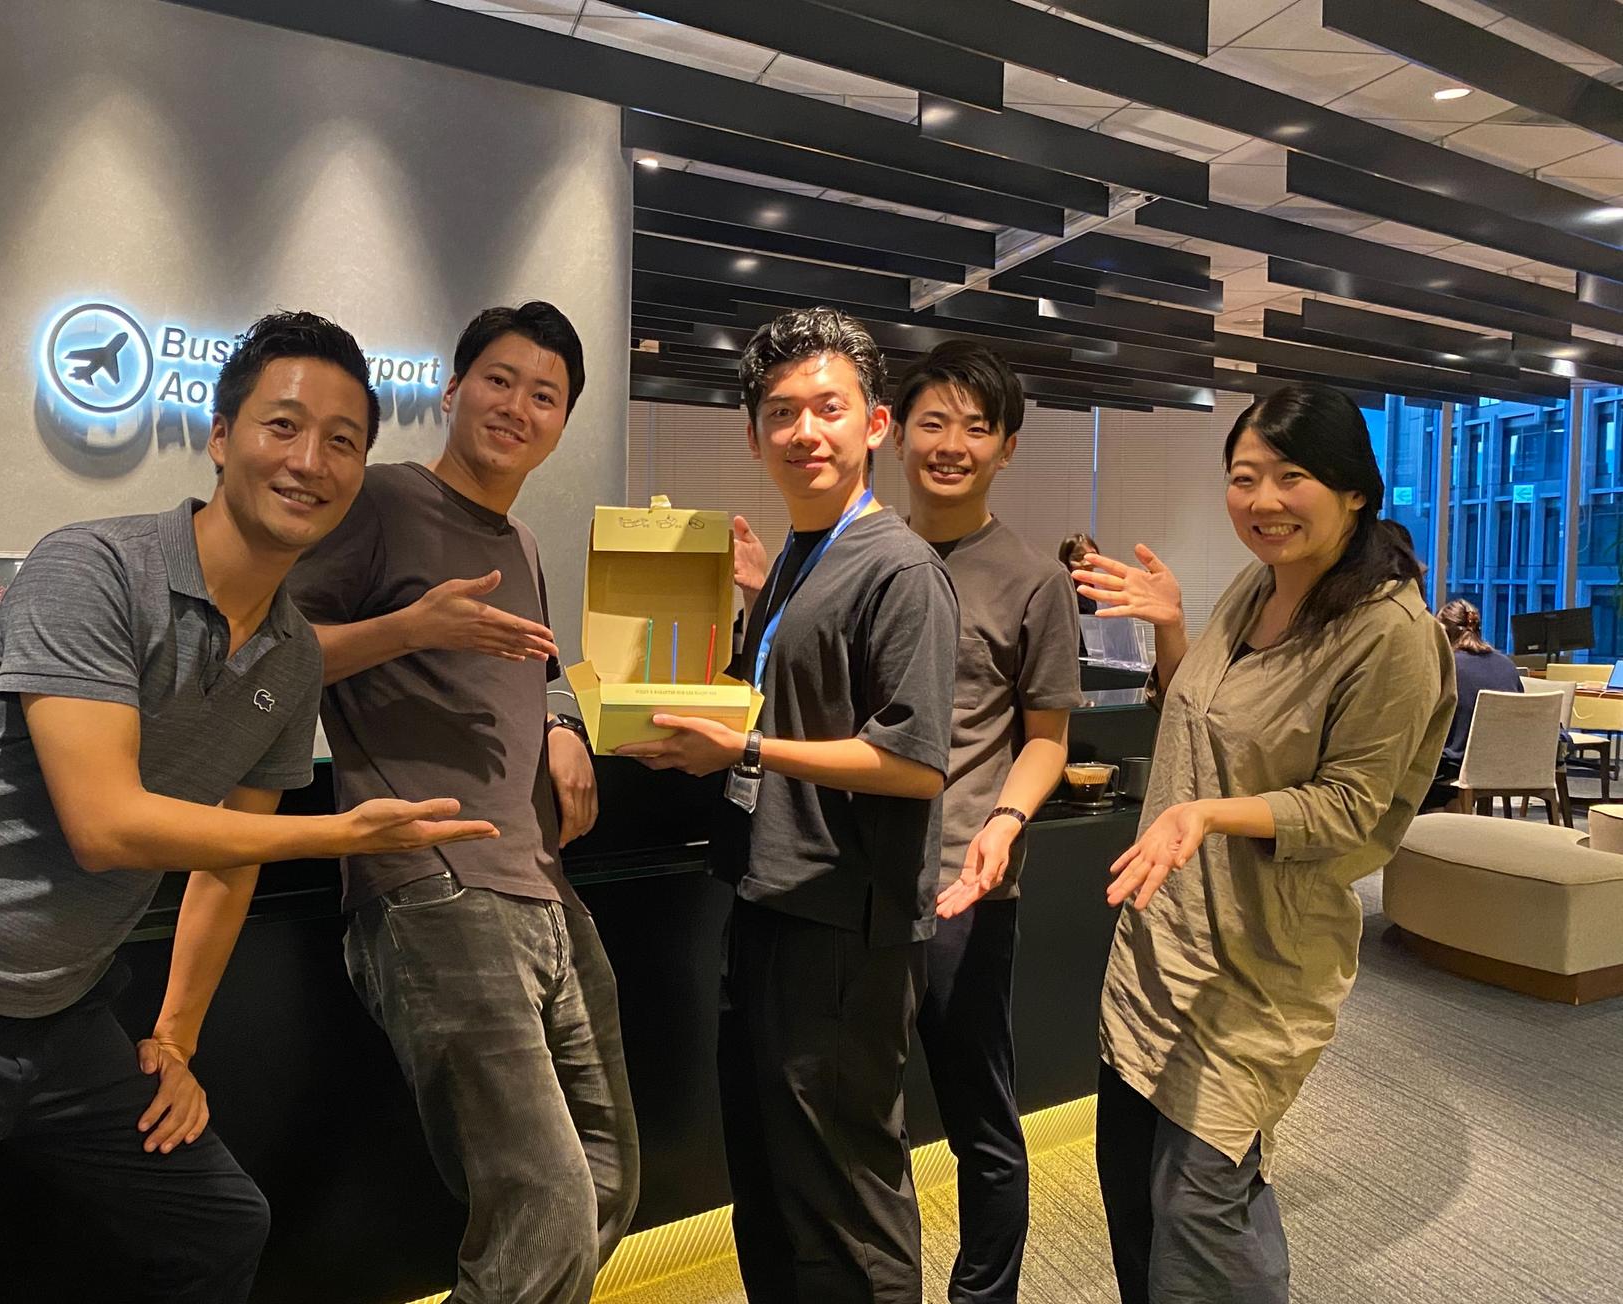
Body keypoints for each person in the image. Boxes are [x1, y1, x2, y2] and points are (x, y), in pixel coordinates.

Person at [0, 312, 497, 1304]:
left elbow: (228, 863)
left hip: (54, 1011)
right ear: (222, 437)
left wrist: (175, 1039)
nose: (309, 461)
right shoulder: (95, 568)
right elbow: (104, 823)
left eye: (342, 441)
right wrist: (336, 832)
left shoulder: (291, 656)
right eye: (282, 426)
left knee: (216, 1223)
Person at [1074, 382, 1456, 1304]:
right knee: (1134, 1197)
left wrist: (1208, 816)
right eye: (1244, 478)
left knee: (1202, 1214)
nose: (1262, 500)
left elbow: (1351, 808)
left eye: (1291, 477)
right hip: (1160, 947)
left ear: (1354, 490)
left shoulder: (1390, 634)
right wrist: (1172, 629)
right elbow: (1205, 722)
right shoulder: (1257, 590)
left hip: (1258, 963)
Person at [287, 302, 637, 1304]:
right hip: (434, 882)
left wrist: (563, 723)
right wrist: (408, 627)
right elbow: (266, 650)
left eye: (545, 395)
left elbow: (535, 667)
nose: (517, 406)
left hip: (541, 884)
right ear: (452, 389)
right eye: (499, 379)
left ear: (562, 422)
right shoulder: (382, 499)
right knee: (545, 1200)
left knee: (606, 1179)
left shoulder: (519, 542)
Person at [729, 339, 1081, 1303]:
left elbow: (1044, 739)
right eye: (935, 423)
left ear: (1007, 446)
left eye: (977, 428)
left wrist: (1003, 823)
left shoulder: (1022, 577)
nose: (951, 445)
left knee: (970, 1115)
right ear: (901, 432)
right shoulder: (831, 552)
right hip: (861, 871)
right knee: (847, 1125)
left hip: (962, 876)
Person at [618, 306, 958, 1304]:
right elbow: (784, 697)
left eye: (828, 407)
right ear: (754, 433)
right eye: (780, 412)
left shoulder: (901, 569)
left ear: (875, 424)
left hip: (845, 921)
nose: (804, 431)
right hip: (768, 898)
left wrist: (748, 746)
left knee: (844, 1195)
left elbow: (914, 762)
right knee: (769, 1183)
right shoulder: (797, 561)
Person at [1422, 598, 1526, 811]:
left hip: (1459, 767)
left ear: (1442, 631)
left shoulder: (1446, 666)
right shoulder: (1507, 665)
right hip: (1510, 765)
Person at [1059, 532, 1101, 615]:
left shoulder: (1101, 587)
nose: (1087, 563)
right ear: (1066, 562)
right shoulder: (1063, 591)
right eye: (1078, 558)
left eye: (1092, 556)